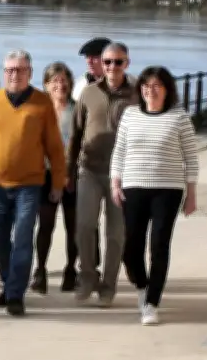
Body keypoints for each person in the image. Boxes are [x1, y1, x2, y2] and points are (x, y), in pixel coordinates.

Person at [0, 49, 66, 317]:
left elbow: (54, 146)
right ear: (3, 73)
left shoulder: (42, 104)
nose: (14, 74)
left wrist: (58, 182)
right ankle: (9, 285)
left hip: (29, 185)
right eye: (9, 70)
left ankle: (16, 295)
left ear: (29, 73)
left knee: (22, 239)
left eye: (20, 70)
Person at [110, 66, 199, 326]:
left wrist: (191, 193)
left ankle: (151, 303)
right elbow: (119, 151)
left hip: (167, 190)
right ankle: (142, 285)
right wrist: (116, 182)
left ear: (167, 89)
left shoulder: (179, 117)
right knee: (131, 249)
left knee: (159, 245)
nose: (150, 90)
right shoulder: (130, 115)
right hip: (133, 187)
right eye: (146, 86)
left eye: (156, 86)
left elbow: (191, 158)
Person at [68, 41, 138, 307]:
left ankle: (108, 287)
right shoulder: (88, 93)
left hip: (123, 174)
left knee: (116, 233)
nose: (111, 67)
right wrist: (68, 169)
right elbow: (75, 133)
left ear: (126, 64)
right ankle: (87, 277)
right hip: (89, 169)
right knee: (84, 225)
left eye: (118, 62)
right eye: (107, 62)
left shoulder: (137, 94)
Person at [31, 62, 78, 294]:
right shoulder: (39, 110)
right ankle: (40, 270)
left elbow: (81, 145)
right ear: (46, 85)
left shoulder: (78, 109)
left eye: (63, 80)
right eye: (54, 81)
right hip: (45, 174)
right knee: (45, 224)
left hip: (72, 175)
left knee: (73, 226)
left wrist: (68, 172)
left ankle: (71, 270)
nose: (60, 85)